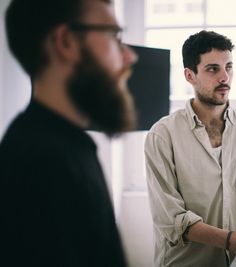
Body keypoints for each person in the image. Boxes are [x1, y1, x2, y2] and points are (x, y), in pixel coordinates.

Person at [0, 0, 137, 266]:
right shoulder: (40, 163)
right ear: (66, 43)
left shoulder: (67, 145)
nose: (129, 56)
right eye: (113, 36)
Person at [145, 30, 236, 267]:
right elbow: (171, 219)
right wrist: (229, 239)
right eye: (212, 69)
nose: (224, 77)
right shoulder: (162, 135)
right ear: (190, 75)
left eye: (229, 67)